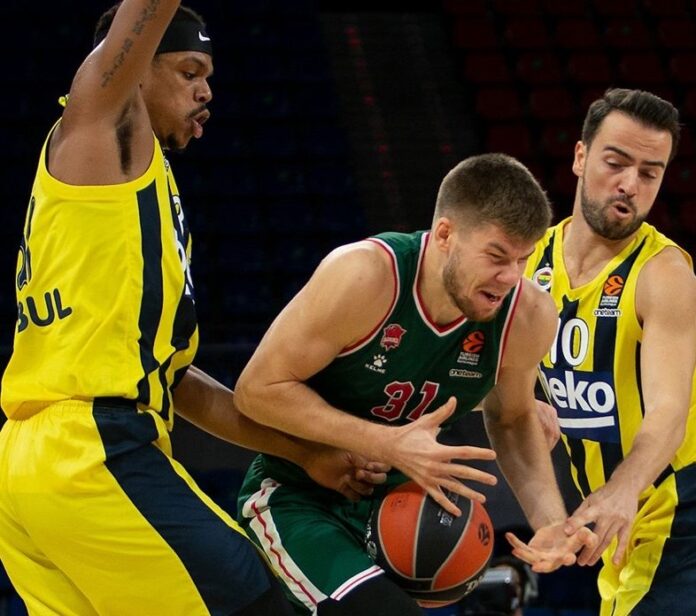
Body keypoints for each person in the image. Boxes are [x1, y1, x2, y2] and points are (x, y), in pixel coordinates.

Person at [0, 2, 387, 614]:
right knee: (255, 600)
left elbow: (178, 382)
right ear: (136, 71)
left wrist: (306, 452)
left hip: (34, 470)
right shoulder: (98, 133)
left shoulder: (133, 196)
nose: (206, 91)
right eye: (188, 72)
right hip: (91, 451)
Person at [233, 153, 597, 615]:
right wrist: (385, 442)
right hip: (298, 494)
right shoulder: (365, 275)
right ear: (445, 235)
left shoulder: (527, 315)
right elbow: (257, 390)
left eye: (523, 259)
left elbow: (512, 417)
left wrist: (550, 521)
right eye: (496, 256)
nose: (511, 277)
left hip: (402, 506)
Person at [520, 88, 696, 615]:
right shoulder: (529, 263)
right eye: (615, 163)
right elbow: (484, 376)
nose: (629, 185)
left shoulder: (665, 274)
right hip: (624, 526)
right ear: (580, 157)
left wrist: (623, 489)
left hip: (680, 506)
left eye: (649, 174)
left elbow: (669, 410)